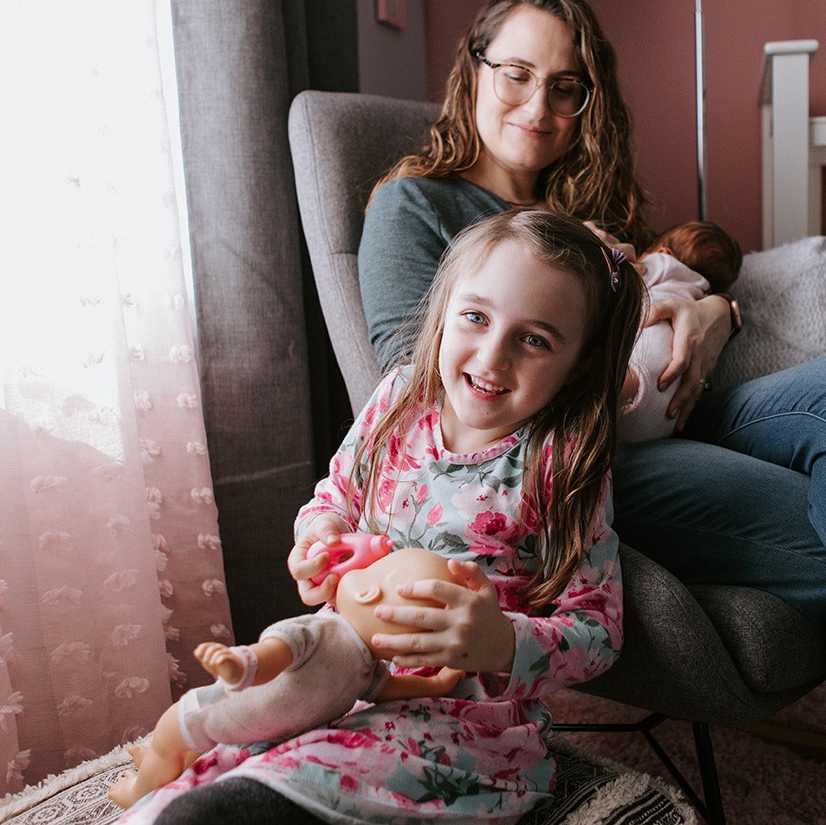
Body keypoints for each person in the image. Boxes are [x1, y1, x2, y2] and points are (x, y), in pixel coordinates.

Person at [356, 0, 826, 824]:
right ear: (474, 69)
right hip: (566, 463)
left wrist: (713, 312)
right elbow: (423, 400)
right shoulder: (417, 203)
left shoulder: (586, 204)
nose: (541, 104)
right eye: (517, 73)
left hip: (674, 410)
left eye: (567, 86)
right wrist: (605, 363)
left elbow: (673, 275)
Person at [117, 208, 645, 824]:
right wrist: (320, 538)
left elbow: (599, 632)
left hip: (459, 724)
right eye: (475, 317)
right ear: (445, 311)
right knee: (203, 775)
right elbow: (333, 497)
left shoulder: (560, 463)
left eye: (534, 339)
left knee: (256, 800)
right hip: (334, 671)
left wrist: (500, 642)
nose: (492, 356)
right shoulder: (400, 401)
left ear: (579, 363)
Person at [107, 543, 466, 810]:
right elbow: (389, 689)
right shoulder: (350, 655)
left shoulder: (336, 642)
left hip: (229, 718)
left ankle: (149, 776)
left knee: (173, 740)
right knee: (178, 743)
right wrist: (437, 684)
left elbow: (272, 658)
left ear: (367, 591)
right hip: (239, 721)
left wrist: (237, 665)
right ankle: (152, 775)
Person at [617, 220, 742, 444]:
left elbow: (623, 282)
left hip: (642, 358)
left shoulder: (660, 264)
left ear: (662, 251)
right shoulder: (698, 292)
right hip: (666, 416)